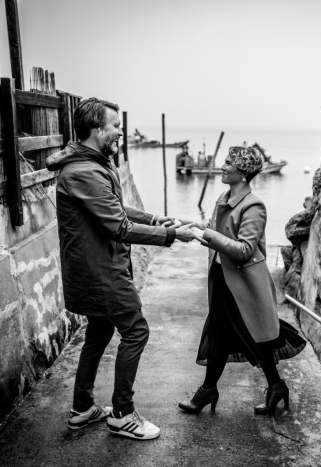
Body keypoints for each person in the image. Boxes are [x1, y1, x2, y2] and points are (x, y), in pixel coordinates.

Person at [46, 98, 195, 440]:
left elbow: (115, 208)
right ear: (97, 129)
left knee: (98, 333)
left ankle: (82, 408)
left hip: (96, 268)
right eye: (115, 125)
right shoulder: (84, 171)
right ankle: (122, 415)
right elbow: (119, 227)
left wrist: (155, 219)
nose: (120, 131)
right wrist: (172, 234)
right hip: (101, 272)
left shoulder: (91, 165)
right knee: (136, 331)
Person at [178, 146, 306, 415]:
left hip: (243, 283)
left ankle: (213, 392)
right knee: (223, 335)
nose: (222, 166)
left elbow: (245, 249)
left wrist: (209, 235)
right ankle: (270, 387)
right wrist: (190, 228)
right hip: (222, 277)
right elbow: (215, 235)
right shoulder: (223, 198)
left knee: (245, 335)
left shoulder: (254, 205)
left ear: (243, 172)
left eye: (228, 163)